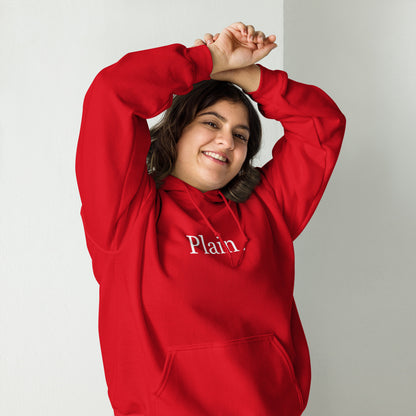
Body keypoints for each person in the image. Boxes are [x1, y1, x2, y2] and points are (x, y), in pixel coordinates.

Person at [75, 22, 346, 416]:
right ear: (178, 130)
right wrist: (209, 60)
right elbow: (113, 92)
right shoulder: (127, 214)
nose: (226, 141)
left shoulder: (267, 207)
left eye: (241, 135)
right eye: (211, 123)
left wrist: (249, 76)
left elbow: (321, 124)